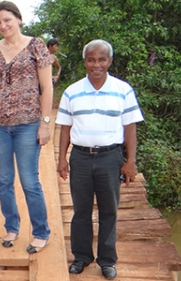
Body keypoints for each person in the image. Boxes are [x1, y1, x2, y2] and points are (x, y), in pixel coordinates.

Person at [56, 39, 144, 280]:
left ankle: (107, 260)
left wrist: (130, 161)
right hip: (80, 159)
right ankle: (82, 257)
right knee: (81, 211)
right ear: (85, 62)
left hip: (110, 158)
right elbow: (64, 128)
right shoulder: (72, 91)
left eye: (102, 59)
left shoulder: (123, 90)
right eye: (91, 59)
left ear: (110, 61)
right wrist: (62, 159)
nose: (97, 64)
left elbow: (130, 128)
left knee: (109, 211)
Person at [0, 1, 53, 254]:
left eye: (7, 20)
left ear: (19, 19)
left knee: (29, 181)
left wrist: (44, 124)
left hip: (28, 124)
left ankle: (40, 231)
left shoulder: (36, 45)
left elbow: (47, 88)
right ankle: (11, 227)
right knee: (3, 180)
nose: (3, 25)